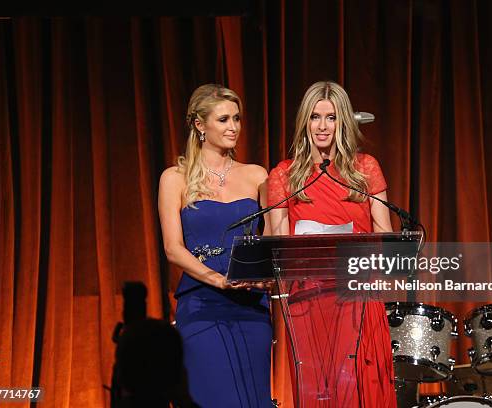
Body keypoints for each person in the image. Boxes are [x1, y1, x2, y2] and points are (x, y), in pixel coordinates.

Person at [267, 81, 396, 407]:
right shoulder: (284, 175)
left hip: (359, 294)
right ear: (304, 122)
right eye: (315, 117)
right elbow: (277, 246)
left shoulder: (365, 168)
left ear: (343, 123)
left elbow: (384, 232)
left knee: (361, 387)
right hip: (308, 299)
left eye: (331, 117)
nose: (322, 126)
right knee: (321, 390)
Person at [158, 84, 272, 407]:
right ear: (199, 125)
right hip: (202, 306)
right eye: (223, 120)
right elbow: (172, 248)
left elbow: (274, 238)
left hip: (251, 307)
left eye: (237, 118)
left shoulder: (256, 176)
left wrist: (265, 275)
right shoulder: (174, 178)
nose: (233, 127)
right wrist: (218, 279)